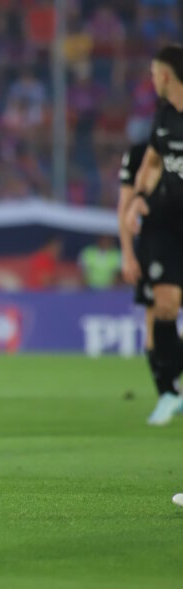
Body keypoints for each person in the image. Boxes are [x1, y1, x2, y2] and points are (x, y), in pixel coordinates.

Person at [125, 44, 183, 426]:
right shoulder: (162, 116)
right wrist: (139, 199)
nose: (151, 79)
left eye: (153, 72)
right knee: (164, 307)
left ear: (166, 75)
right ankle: (168, 392)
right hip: (164, 224)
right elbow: (150, 162)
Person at [118, 136, 174, 423]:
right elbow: (125, 205)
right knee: (155, 318)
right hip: (154, 245)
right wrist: (127, 254)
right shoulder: (141, 152)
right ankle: (167, 393)